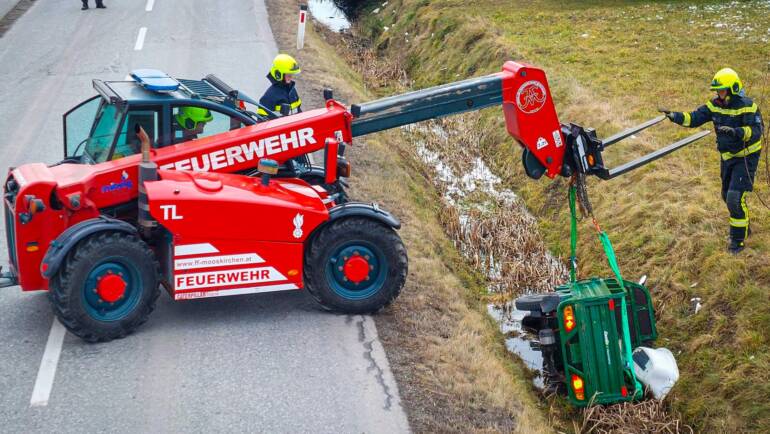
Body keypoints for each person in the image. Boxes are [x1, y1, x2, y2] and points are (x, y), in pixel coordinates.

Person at [660, 68, 764, 254]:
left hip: (746, 158)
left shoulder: (749, 106)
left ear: (733, 88)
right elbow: (694, 118)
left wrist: (737, 133)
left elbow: (756, 131)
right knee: (727, 195)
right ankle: (744, 225)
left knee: (734, 198)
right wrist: (674, 116)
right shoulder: (715, 105)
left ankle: (737, 242)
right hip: (727, 157)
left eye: (722, 90)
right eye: (717, 91)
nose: (719, 94)